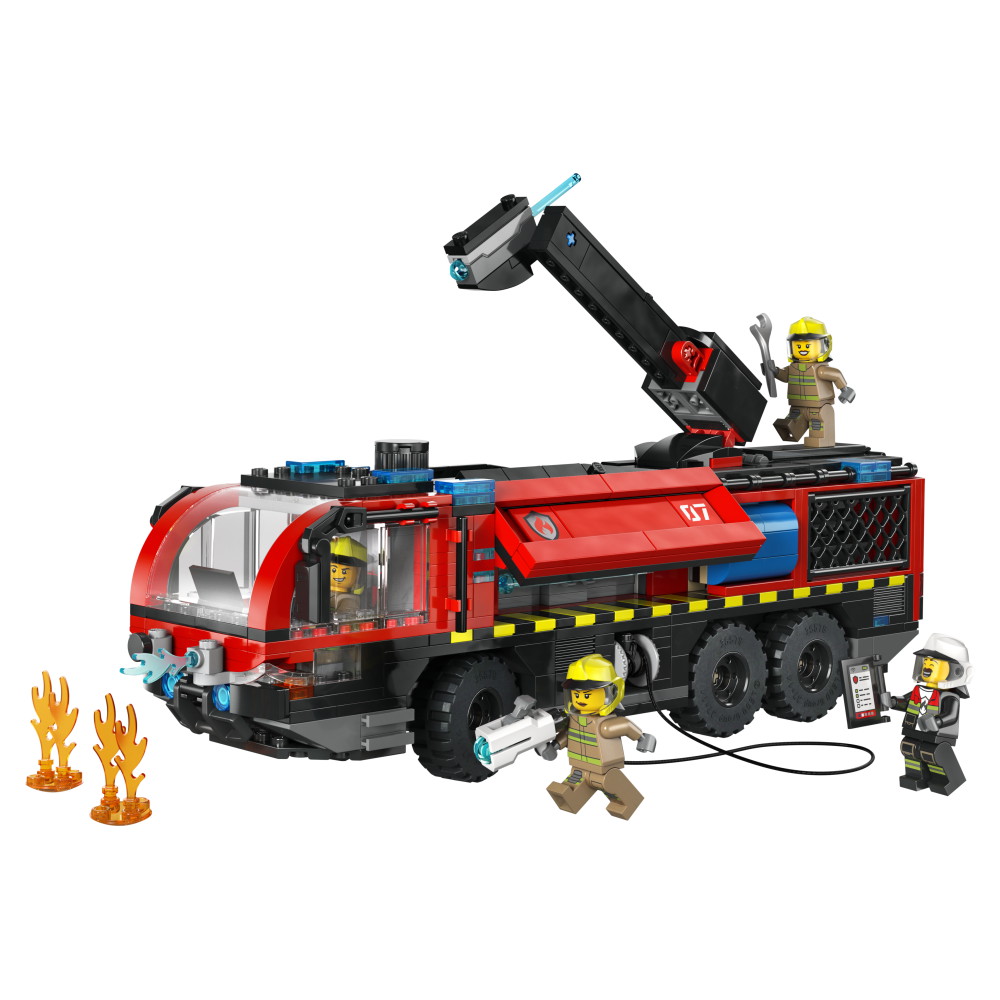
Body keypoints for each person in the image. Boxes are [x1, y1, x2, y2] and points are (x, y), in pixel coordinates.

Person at [540, 654, 656, 820]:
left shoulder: (605, 725)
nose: (580, 699)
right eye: (576, 695)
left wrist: (643, 738)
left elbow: (626, 726)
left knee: (610, 783)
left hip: (605, 769)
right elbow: (568, 735)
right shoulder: (575, 720)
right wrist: (555, 745)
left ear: (610, 692)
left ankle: (628, 802)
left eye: (587, 695)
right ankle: (570, 800)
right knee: (570, 788)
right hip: (579, 766)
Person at [883, 634, 971, 795]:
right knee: (909, 749)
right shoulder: (919, 690)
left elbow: (951, 715)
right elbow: (908, 703)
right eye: (926, 662)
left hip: (935, 735)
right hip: (914, 731)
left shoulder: (949, 696)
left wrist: (937, 722)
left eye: (933, 663)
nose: (926, 667)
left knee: (932, 754)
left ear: (956, 671)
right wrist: (894, 702)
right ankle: (915, 776)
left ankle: (942, 780)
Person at [770, 317, 855, 448]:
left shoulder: (820, 370)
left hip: (819, 407)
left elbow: (836, 375)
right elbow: (785, 376)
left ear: (823, 344)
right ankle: (793, 433)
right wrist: (775, 372)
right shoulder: (792, 368)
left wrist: (845, 390)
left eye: (808, 345)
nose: (802, 349)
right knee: (791, 425)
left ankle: (821, 440)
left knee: (818, 426)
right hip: (797, 406)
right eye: (798, 346)